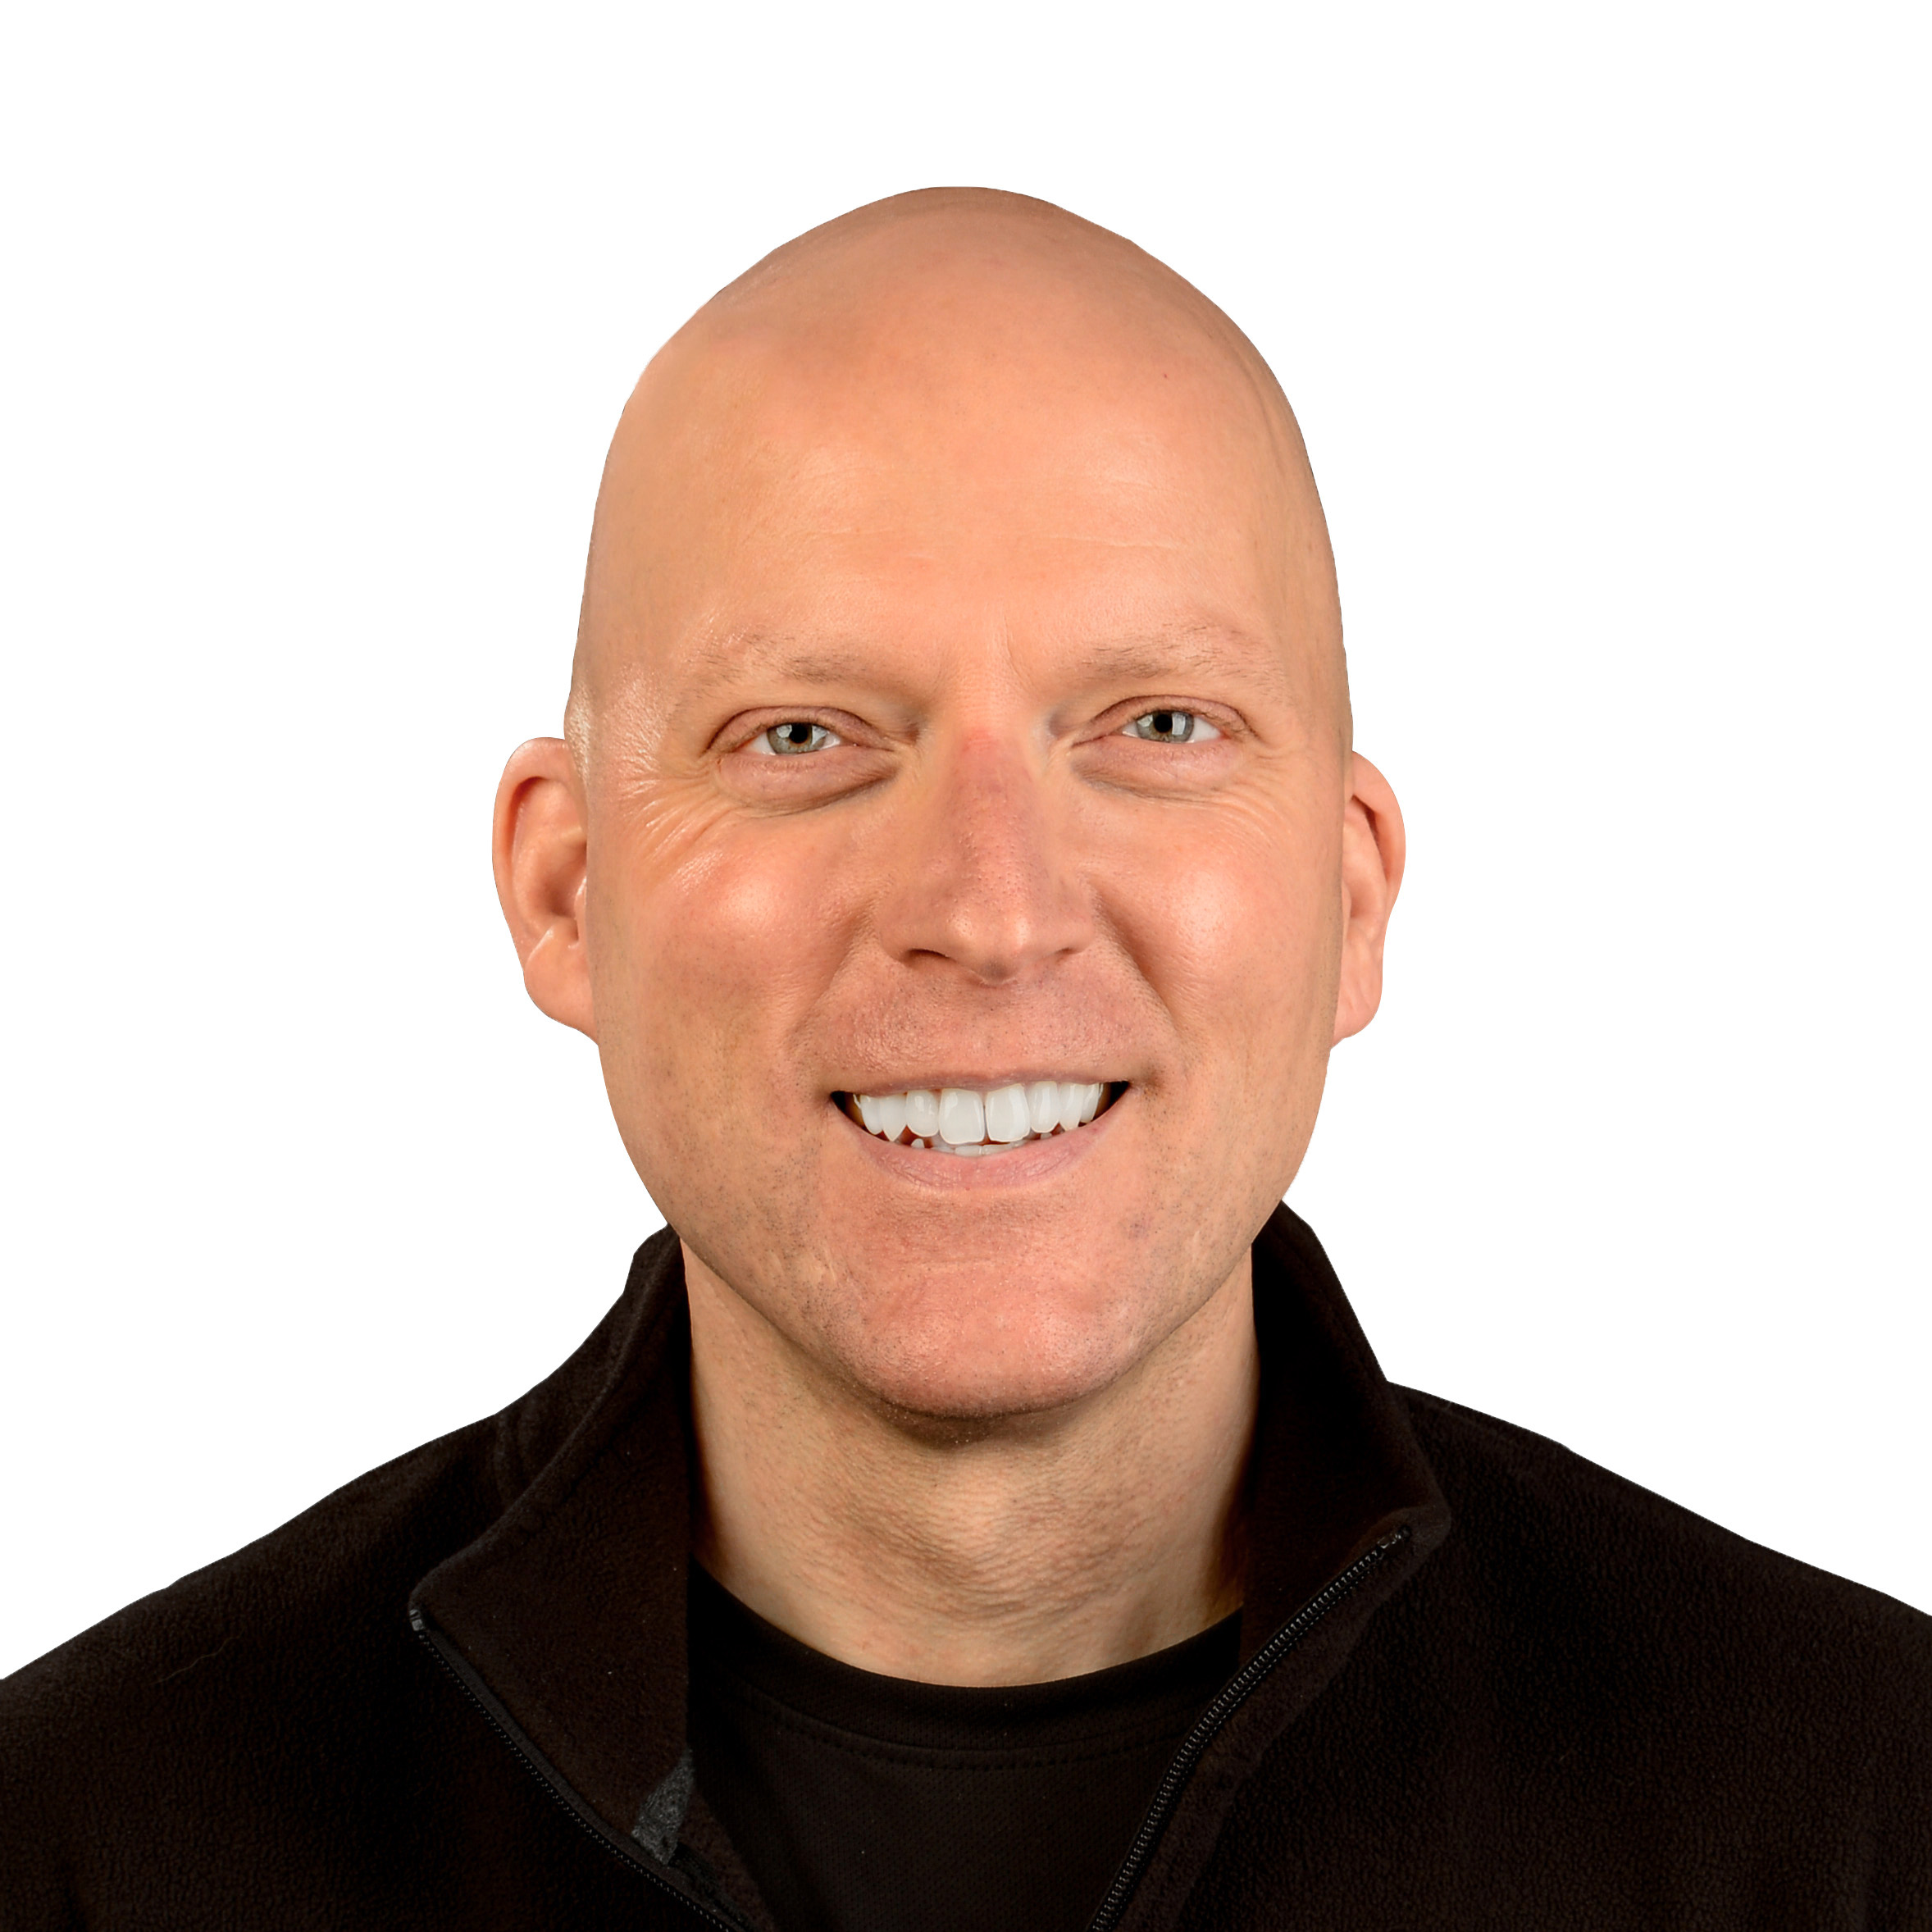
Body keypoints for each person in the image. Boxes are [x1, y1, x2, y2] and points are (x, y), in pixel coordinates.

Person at [2, 187, 1926, 1930]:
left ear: (1347, 901)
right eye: (804, 735)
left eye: (1156, 721)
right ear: (567, 888)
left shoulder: (1857, 1816)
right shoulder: (85, 1842)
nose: (991, 909)